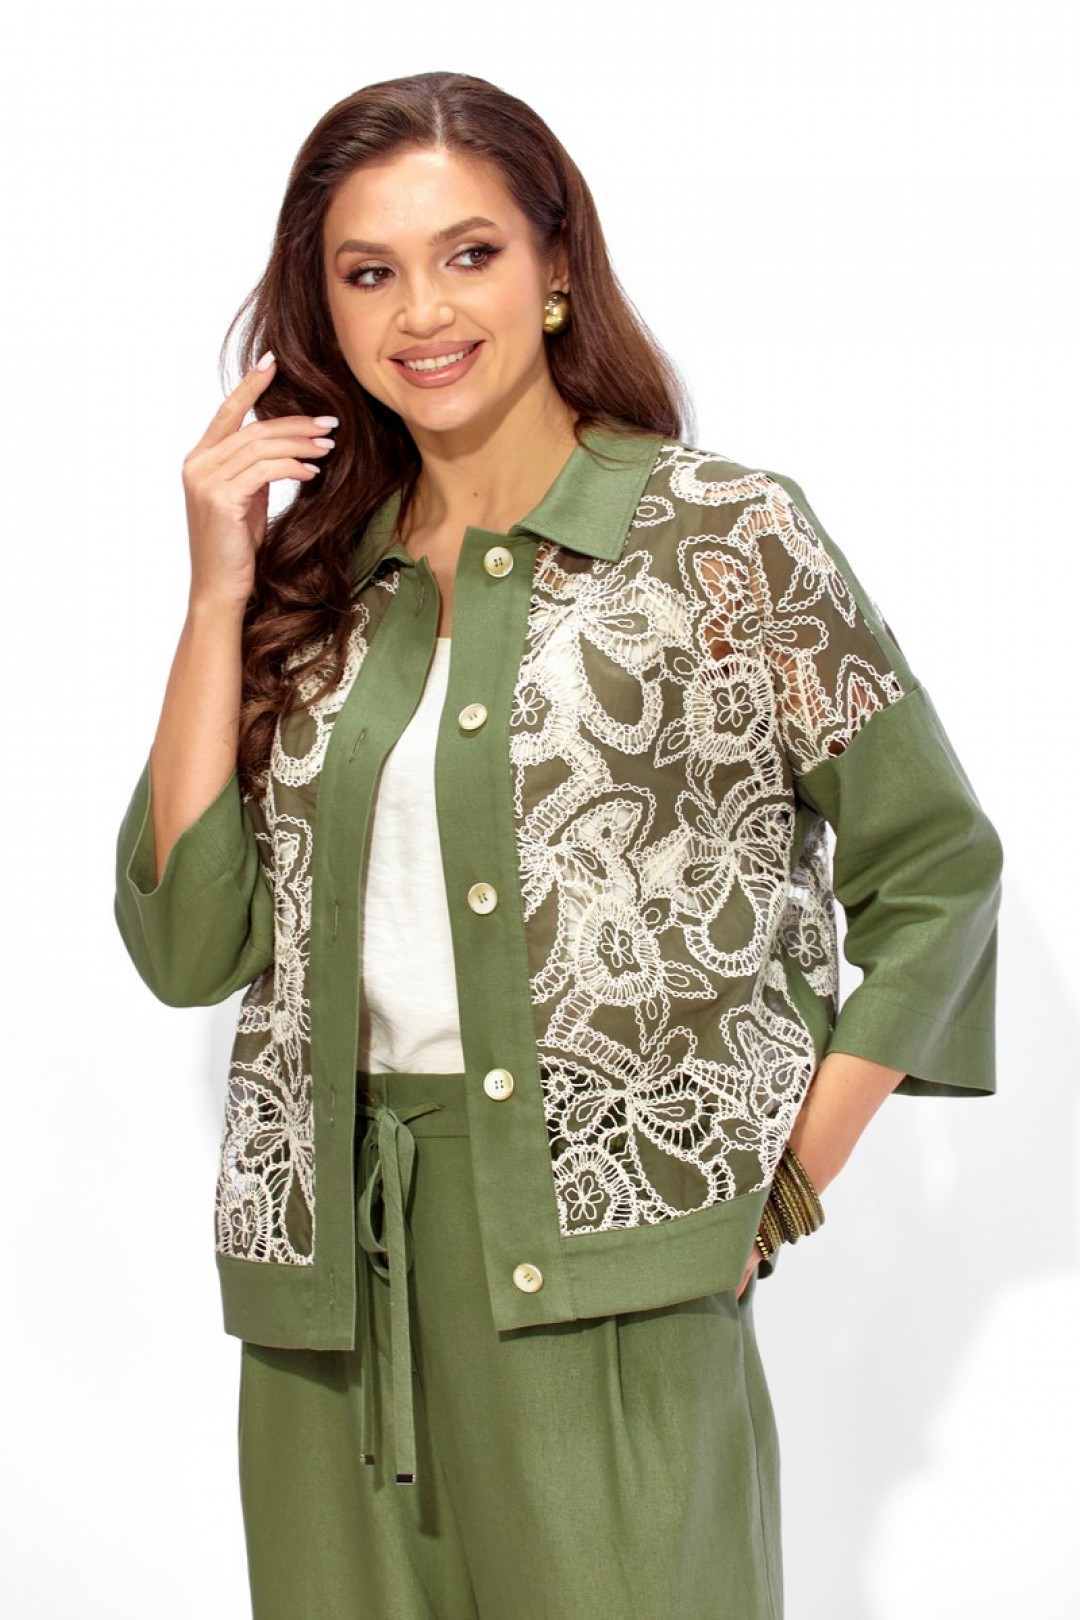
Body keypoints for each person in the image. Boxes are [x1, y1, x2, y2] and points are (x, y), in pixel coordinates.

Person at [113, 70, 1002, 1620]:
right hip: (329, 1293)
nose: (422, 311)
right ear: (323, 311)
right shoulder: (316, 587)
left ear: (556, 266)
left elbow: (937, 872)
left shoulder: (727, 538)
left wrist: (788, 1177)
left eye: (469, 253)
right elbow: (190, 946)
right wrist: (216, 594)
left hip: (615, 1259)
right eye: (368, 272)